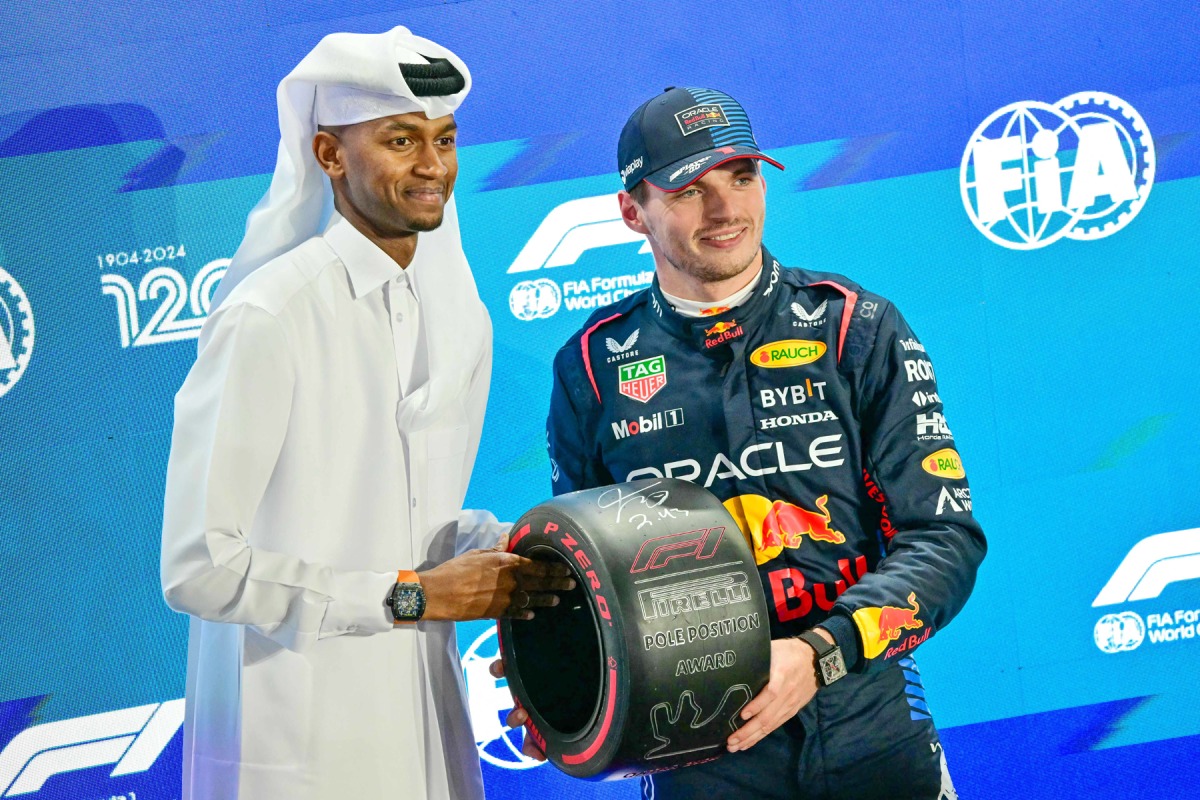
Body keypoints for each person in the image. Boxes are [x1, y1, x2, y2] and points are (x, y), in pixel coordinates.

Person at [510, 86, 986, 799]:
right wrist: (551, 676)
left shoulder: (855, 327)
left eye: (741, 177)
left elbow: (945, 539)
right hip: (696, 759)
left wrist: (821, 655)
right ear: (632, 211)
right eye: (689, 190)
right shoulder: (591, 366)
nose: (727, 210)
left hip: (870, 732)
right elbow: (584, 582)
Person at [160, 27, 572, 800]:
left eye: (445, 139)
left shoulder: (460, 319)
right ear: (328, 155)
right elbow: (199, 567)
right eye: (400, 140)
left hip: (424, 726)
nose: (432, 166)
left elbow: (410, 517)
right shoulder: (270, 316)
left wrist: (522, 549)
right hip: (294, 741)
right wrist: (413, 595)